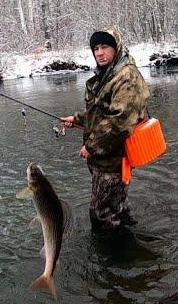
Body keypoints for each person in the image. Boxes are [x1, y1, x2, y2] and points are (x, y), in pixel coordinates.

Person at [61, 26, 150, 236]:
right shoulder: (107, 74)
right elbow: (100, 111)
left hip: (113, 160)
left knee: (100, 216)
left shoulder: (126, 77)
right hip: (105, 157)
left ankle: (115, 258)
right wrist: (76, 119)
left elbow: (120, 121)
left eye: (105, 47)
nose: (99, 52)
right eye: (96, 48)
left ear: (116, 48)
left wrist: (91, 147)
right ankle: (127, 234)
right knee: (115, 207)